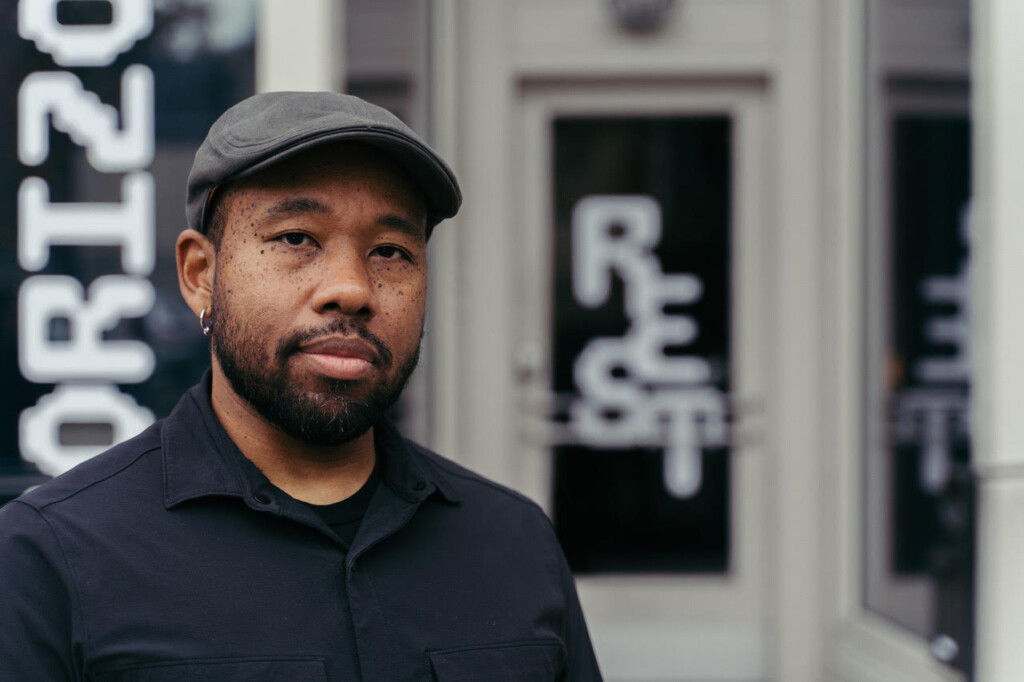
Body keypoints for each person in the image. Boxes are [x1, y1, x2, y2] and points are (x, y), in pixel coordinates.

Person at [0, 91, 602, 681]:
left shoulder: (512, 542)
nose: (352, 289)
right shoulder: (55, 557)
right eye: (296, 239)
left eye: (390, 251)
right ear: (200, 275)